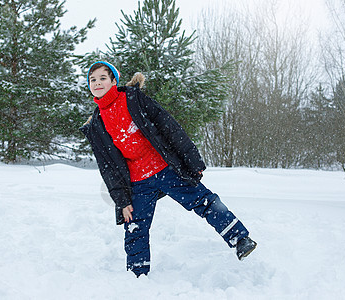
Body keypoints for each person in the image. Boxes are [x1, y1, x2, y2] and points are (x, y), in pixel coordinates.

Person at [80, 61, 257, 277]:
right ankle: (137, 278)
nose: (97, 83)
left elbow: (169, 126)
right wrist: (122, 201)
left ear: (114, 81)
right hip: (137, 183)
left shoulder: (133, 100)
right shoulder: (96, 124)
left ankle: (240, 239)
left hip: (164, 168)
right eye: (93, 80)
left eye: (102, 78)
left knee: (204, 201)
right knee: (135, 229)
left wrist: (192, 162)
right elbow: (107, 167)